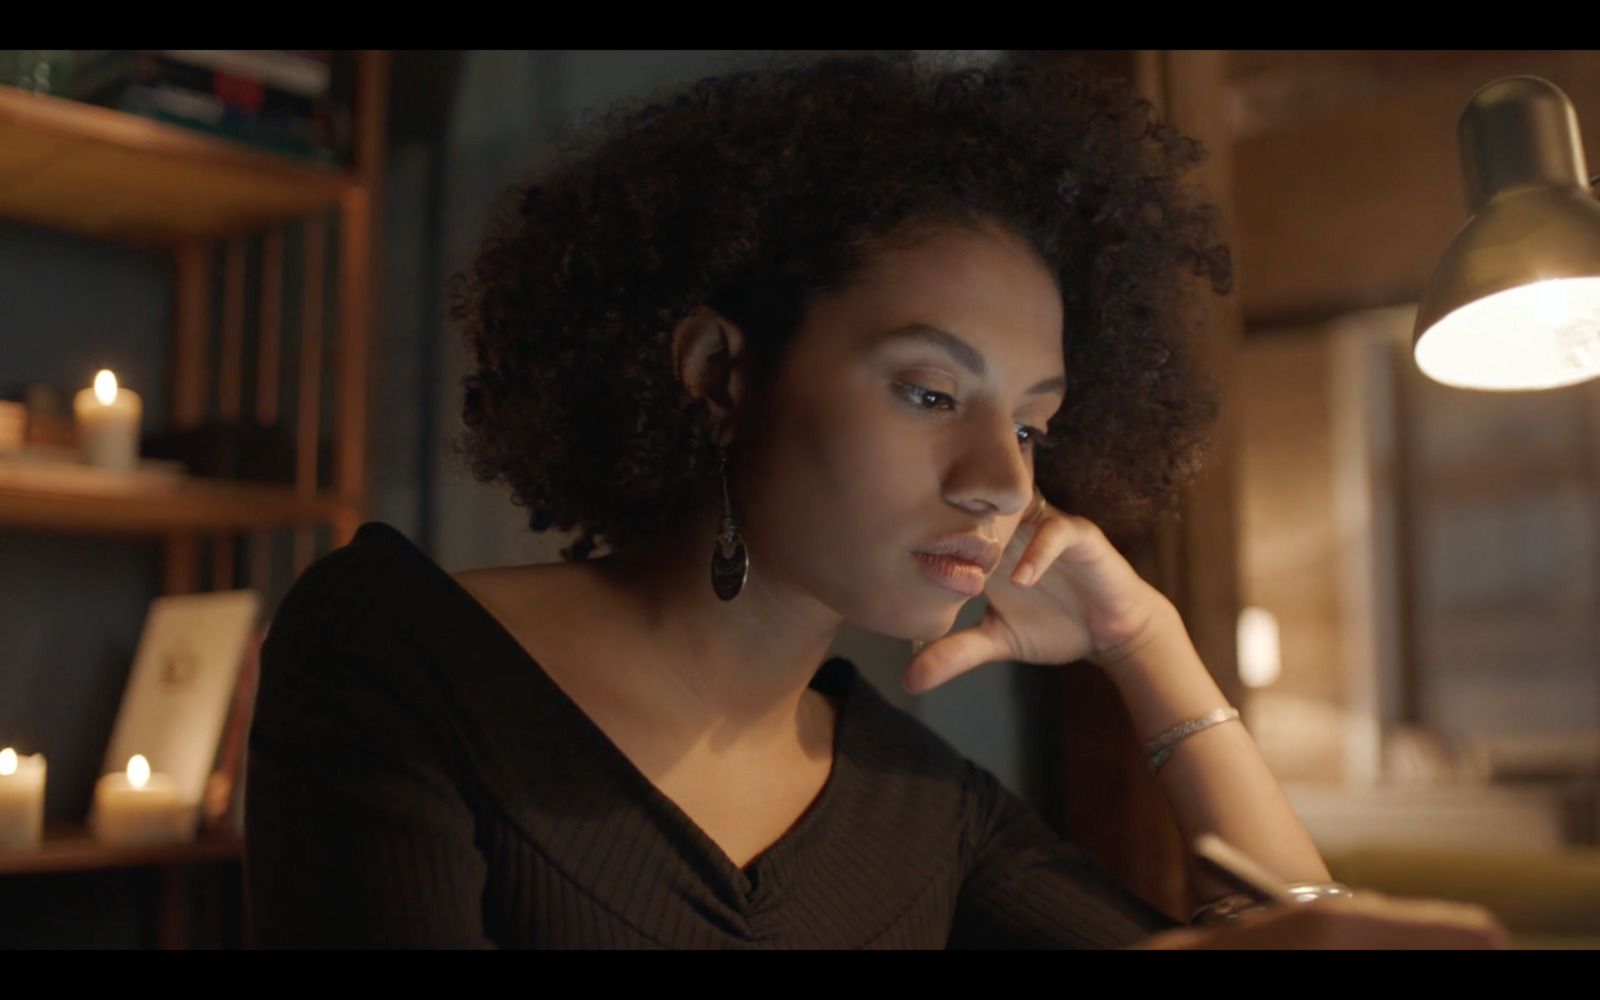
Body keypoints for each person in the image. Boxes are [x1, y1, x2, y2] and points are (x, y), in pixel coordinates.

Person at [244, 52, 1505, 949]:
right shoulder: (391, 652)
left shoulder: (918, 806)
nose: (1000, 480)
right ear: (718, 370)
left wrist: (1145, 645)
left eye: (1030, 422)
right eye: (925, 392)